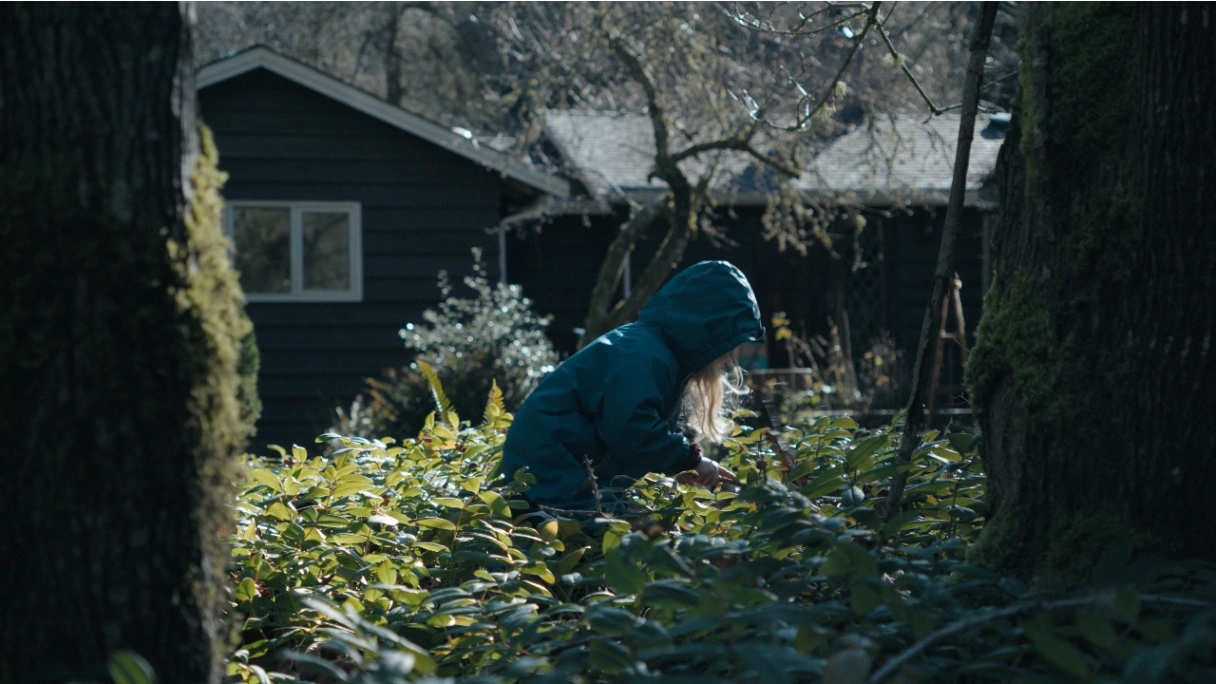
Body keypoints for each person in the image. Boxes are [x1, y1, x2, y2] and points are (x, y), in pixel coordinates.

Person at [502, 260, 765, 512]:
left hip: (557, 465)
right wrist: (688, 460)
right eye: (727, 343)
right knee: (601, 534)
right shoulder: (645, 355)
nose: (728, 357)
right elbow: (630, 428)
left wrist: (678, 466)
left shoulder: (658, 354)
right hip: (551, 466)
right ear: (707, 329)